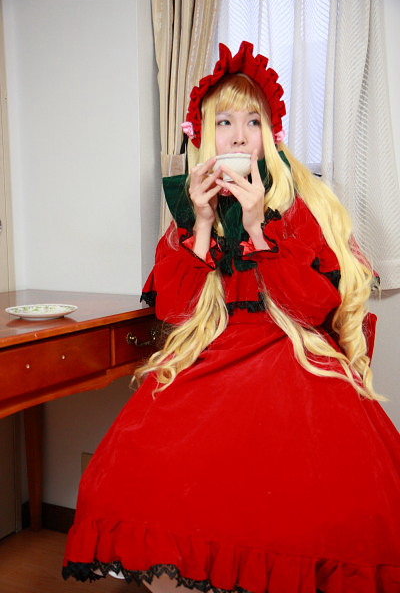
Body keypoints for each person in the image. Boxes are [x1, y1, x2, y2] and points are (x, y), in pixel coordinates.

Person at [63, 41, 400, 593]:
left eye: (252, 122)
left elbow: (312, 308)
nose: (239, 136)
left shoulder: (299, 206)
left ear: (270, 135)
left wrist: (258, 226)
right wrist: (200, 223)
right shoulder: (189, 215)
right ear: (203, 135)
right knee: (138, 462)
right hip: (214, 352)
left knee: (317, 492)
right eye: (224, 122)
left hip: (292, 351)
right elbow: (176, 311)